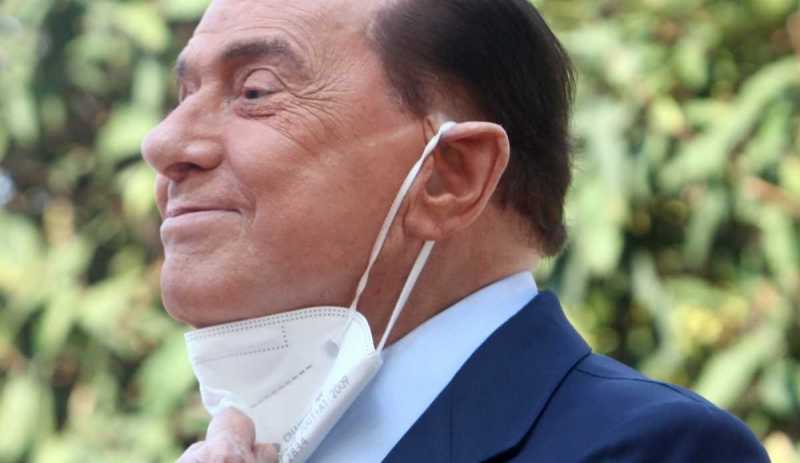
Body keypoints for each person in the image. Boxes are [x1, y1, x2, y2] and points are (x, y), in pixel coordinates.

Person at [140, 0, 770, 461]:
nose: (162, 142)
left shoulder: (650, 448)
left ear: (450, 176)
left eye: (255, 91)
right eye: (184, 94)